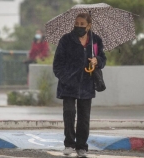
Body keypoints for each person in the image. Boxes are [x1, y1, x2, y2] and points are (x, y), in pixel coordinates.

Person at [53, 13, 106, 157]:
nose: (79, 26)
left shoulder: (96, 41)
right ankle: (69, 144)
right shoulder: (66, 40)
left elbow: (103, 59)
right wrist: (66, 78)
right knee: (69, 114)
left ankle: (82, 146)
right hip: (68, 85)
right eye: (77, 23)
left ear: (89, 26)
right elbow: (57, 64)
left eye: (82, 24)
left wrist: (97, 61)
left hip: (87, 84)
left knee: (84, 118)